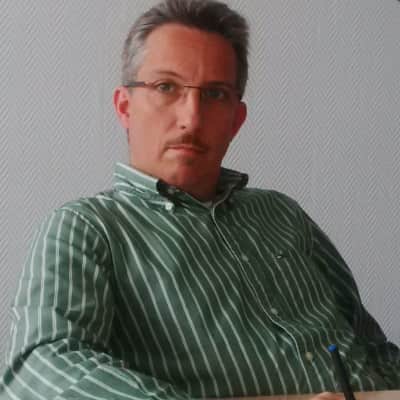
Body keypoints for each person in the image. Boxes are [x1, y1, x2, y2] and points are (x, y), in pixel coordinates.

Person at [1, 0, 399, 399]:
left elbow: (372, 346)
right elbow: (39, 366)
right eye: (165, 87)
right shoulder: (87, 228)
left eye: (215, 94)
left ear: (236, 120)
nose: (192, 118)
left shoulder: (281, 213)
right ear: (125, 107)